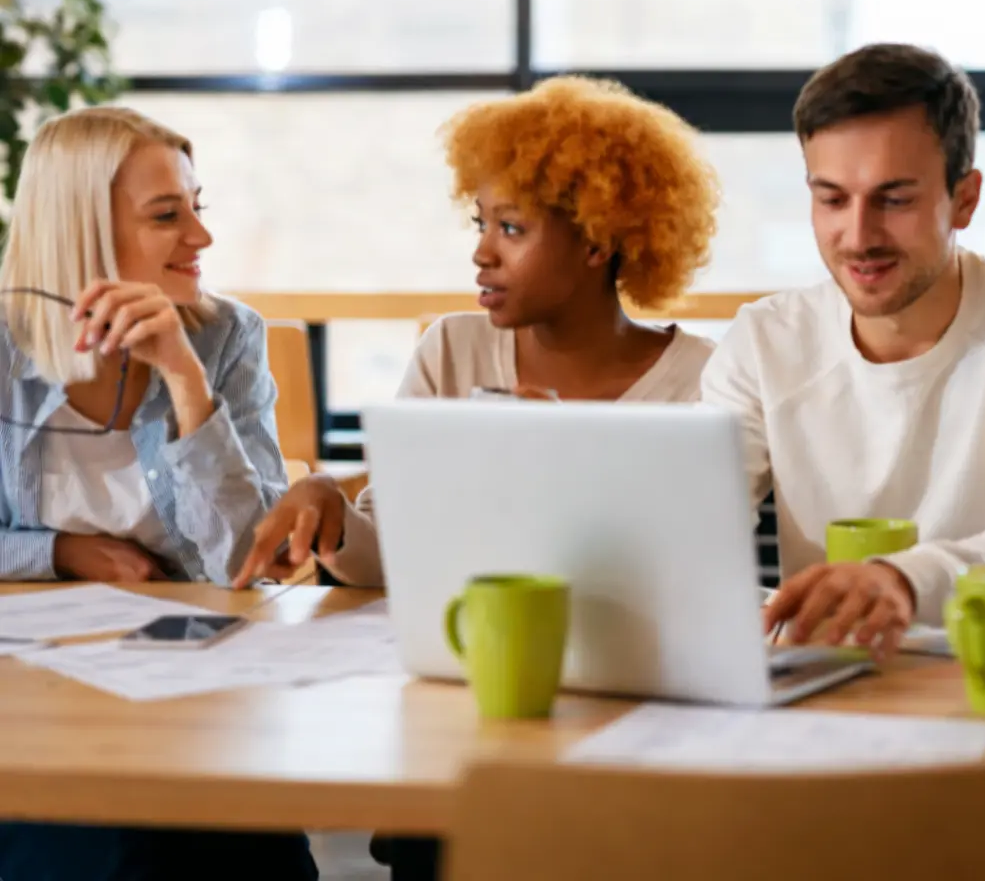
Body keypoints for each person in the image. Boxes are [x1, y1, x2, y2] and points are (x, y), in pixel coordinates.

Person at [704, 42, 985, 655]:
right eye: (830, 199)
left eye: (894, 199)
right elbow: (690, 525)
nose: (857, 236)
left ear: (965, 198)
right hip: (837, 679)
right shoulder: (764, 341)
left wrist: (901, 580)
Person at [235, 75, 721, 590]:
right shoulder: (450, 351)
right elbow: (393, 557)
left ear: (596, 243)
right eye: (480, 224)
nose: (482, 253)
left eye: (511, 229)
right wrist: (330, 508)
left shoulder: (701, 382)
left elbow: (681, 575)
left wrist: (570, 459)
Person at [0, 107, 312, 878]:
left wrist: (185, 377)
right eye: (167, 215)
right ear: (82, 229)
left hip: (194, 685)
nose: (201, 238)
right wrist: (60, 552)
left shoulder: (226, 336)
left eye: (197, 209)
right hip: (31, 695)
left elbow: (249, 560)